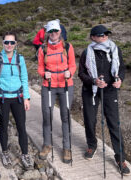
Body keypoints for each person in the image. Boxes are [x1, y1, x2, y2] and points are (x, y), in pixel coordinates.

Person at [78, 25, 130, 175]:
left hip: (110, 90)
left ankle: (120, 158)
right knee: (89, 119)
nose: (105, 37)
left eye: (106, 35)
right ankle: (92, 145)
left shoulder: (115, 49)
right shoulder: (86, 52)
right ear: (93, 37)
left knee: (114, 123)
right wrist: (94, 81)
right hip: (91, 90)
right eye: (101, 35)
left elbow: (121, 69)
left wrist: (120, 80)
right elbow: (81, 73)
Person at [0, 32, 33, 170]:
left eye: (12, 42)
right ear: (3, 43)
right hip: (2, 99)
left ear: (16, 44)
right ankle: (4, 152)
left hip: (18, 98)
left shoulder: (20, 59)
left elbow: (24, 79)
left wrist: (26, 97)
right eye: (6, 42)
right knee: (3, 127)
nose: (9, 45)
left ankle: (25, 154)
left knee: (21, 127)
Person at [37, 19, 76, 163]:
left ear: (60, 31)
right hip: (48, 86)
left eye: (55, 31)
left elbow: (72, 65)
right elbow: (40, 67)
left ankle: (67, 147)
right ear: (48, 33)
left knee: (65, 116)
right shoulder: (43, 49)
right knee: (47, 115)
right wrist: (43, 74)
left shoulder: (68, 46)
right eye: (50, 31)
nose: (53, 33)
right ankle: (47, 144)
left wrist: (69, 73)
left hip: (66, 85)